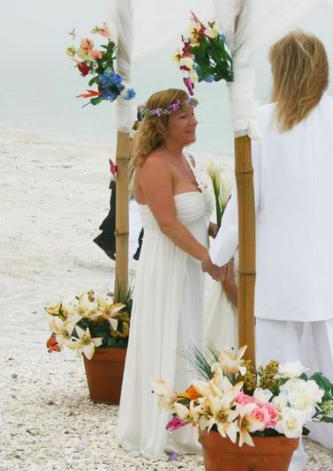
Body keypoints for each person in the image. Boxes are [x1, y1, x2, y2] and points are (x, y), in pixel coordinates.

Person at [210, 31, 333, 471]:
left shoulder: (259, 121)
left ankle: (291, 456)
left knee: (278, 371)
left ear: (278, 71)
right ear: (322, 68)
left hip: (277, 270)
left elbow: (246, 200)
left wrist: (219, 252)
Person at [117, 88, 222, 458]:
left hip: (189, 262)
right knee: (171, 334)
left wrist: (214, 231)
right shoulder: (155, 164)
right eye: (184, 117)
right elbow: (167, 224)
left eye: (193, 114)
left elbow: (192, 217)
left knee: (188, 334)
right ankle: (163, 426)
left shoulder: (187, 159)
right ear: (163, 124)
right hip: (168, 266)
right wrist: (208, 260)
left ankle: (187, 418)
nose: (193, 121)